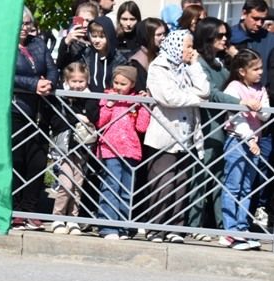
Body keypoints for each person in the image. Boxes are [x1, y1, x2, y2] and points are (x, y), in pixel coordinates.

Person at [143, 29, 209, 243]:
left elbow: (205, 90)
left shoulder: (186, 67)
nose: (191, 50)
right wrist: (195, 99)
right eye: (188, 46)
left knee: (181, 183)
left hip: (187, 134)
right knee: (164, 183)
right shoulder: (158, 67)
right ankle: (156, 228)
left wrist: (195, 65)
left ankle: (175, 228)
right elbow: (169, 97)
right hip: (165, 134)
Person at [186, 18, 237, 239]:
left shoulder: (218, 62)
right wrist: (241, 103)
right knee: (201, 176)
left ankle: (220, 226)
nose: (225, 39)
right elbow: (212, 92)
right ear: (208, 37)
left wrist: (235, 58)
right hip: (206, 126)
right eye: (220, 35)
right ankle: (194, 226)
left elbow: (229, 79)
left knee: (217, 179)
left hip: (221, 126)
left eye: (226, 35)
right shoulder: (200, 63)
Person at [11, 7, 57, 230]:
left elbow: (52, 68)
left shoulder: (38, 43)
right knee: (17, 161)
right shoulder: (5, 44)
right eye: (20, 23)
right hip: (16, 110)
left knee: (37, 162)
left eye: (28, 23)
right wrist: (33, 85)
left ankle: (30, 210)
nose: (24, 27)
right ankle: (16, 210)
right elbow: (7, 73)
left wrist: (49, 83)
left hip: (39, 112)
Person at [219, 49, 268, 250]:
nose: (260, 72)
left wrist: (259, 108)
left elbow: (265, 114)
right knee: (233, 186)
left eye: (261, 68)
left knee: (247, 188)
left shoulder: (260, 89)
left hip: (254, 141)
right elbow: (236, 118)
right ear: (241, 71)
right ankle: (229, 231)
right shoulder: (234, 87)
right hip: (237, 140)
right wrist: (249, 139)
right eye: (255, 69)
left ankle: (242, 226)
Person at [95, 65, 151, 239]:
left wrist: (144, 107)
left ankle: (123, 225)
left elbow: (141, 127)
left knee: (127, 189)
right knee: (111, 185)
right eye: (116, 82)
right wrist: (109, 105)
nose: (118, 87)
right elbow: (101, 122)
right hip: (110, 147)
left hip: (131, 149)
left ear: (132, 84)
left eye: (123, 84)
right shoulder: (107, 97)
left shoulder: (135, 101)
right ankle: (108, 226)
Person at [48, 62, 98, 235]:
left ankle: (73, 218)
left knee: (78, 183)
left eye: (81, 81)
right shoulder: (60, 96)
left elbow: (93, 117)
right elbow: (57, 120)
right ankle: (58, 217)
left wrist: (82, 116)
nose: (77, 85)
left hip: (82, 146)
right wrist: (78, 117)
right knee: (66, 182)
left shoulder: (90, 97)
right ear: (67, 80)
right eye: (74, 81)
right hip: (65, 146)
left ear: (87, 80)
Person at [128, 17, 167, 92]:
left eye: (164, 34)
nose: (163, 38)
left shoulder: (159, 54)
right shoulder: (137, 62)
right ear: (147, 37)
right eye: (159, 35)